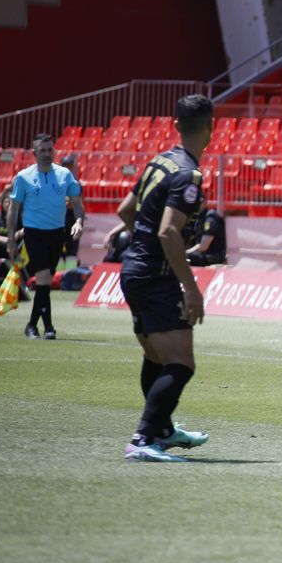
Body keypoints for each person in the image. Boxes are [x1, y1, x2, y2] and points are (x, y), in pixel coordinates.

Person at [117, 94, 215, 463]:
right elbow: (169, 232)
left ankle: (162, 429)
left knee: (157, 356)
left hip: (133, 270)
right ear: (211, 129)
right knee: (180, 363)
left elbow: (125, 210)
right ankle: (144, 438)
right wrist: (191, 287)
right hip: (154, 278)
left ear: (176, 125)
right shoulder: (188, 174)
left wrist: (144, 248)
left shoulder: (159, 161)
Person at [7, 133, 85, 339]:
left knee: (46, 281)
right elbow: (13, 209)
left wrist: (78, 221)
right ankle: (49, 327)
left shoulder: (64, 175)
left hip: (57, 234)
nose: (47, 154)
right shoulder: (23, 177)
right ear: (34, 153)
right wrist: (11, 240)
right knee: (43, 277)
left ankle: (32, 324)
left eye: (50, 150)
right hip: (34, 233)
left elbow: (77, 203)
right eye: (42, 150)